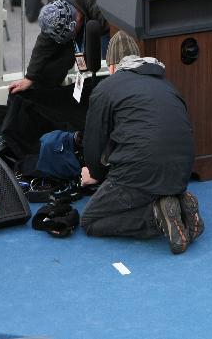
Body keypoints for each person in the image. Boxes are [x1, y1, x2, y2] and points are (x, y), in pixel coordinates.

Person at [77, 31, 202, 254]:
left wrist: (93, 174)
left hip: (139, 171)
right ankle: (179, 204)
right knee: (148, 184)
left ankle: (156, 216)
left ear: (112, 66)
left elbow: (93, 143)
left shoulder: (105, 89)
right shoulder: (168, 86)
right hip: (181, 172)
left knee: (90, 221)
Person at [8, 0, 108, 94]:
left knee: (109, 56)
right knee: (60, 52)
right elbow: (45, 42)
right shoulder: (56, 2)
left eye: (72, 33)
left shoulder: (100, 9)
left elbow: (118, 35)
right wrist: (30, 77)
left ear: (78, 18)